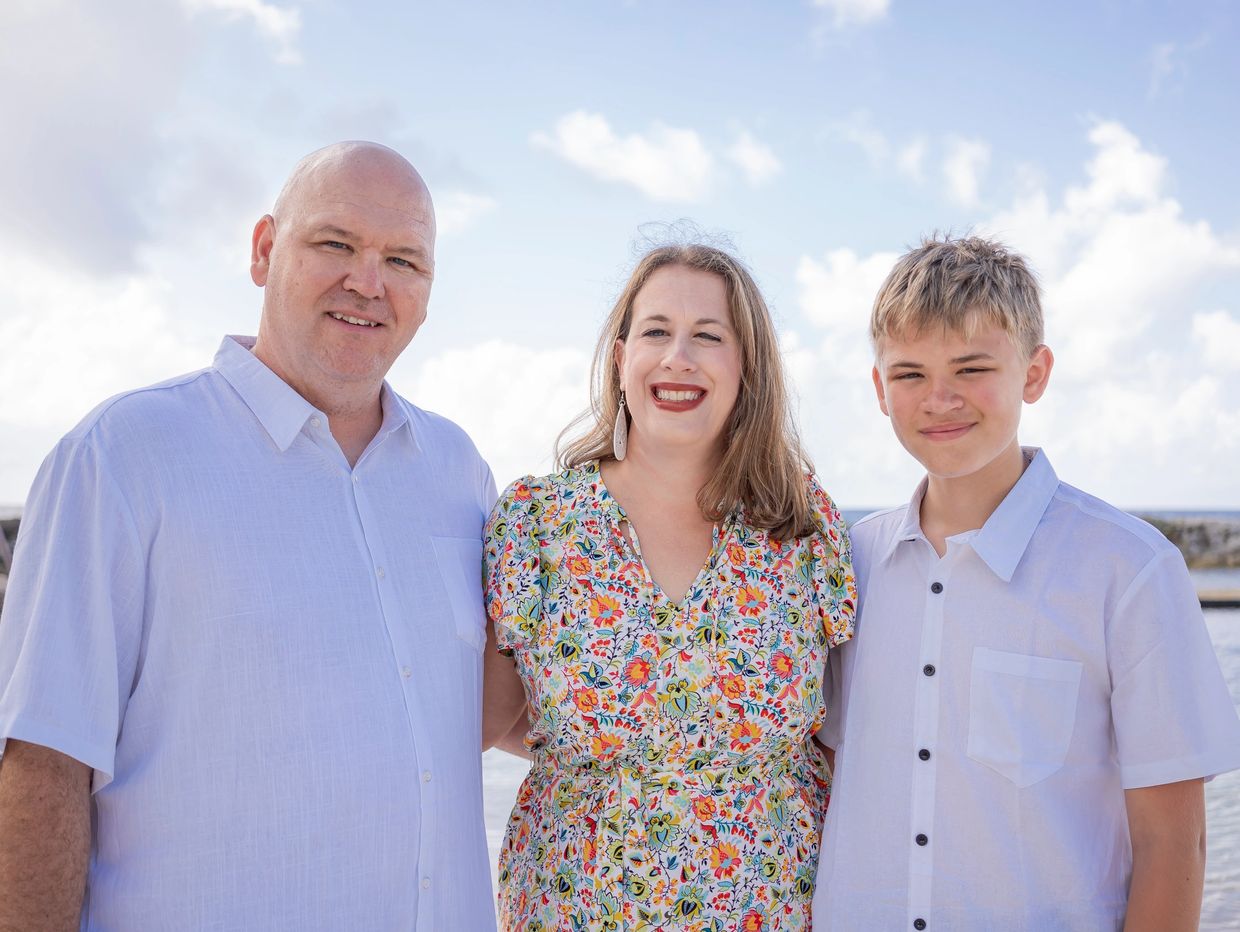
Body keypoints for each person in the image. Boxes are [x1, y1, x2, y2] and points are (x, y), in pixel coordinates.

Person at [0, 142, 498, 930]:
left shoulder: (458, 473)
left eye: (403, 260)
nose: (367, 282)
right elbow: (42, 760)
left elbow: (509, 707)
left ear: (428, 293)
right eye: (335, 244)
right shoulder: (123, 457)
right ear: (265, 250)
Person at [813, 234, 1240, 930]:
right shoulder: (847, 566)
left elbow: (1174, 842)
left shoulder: (1129, 570)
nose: (939, 398)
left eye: (972, 367)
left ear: (1034, 373)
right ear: (879, 390)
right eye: (910, 373)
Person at [482, 243, 856, 930]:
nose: (678, 357)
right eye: (656, 331)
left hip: (771, 908)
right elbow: (486, 718)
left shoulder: (803, 528)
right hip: (575, 907)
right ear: (621, 361)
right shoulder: (538, 523)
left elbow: (848, 735)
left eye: (708, 337)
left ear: (747, 369)